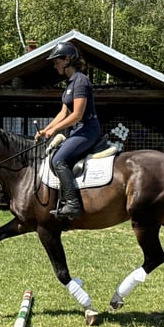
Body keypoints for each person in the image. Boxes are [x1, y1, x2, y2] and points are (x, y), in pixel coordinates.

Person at [35, 42, 101, 219]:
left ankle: (73, 204)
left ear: (67, 60)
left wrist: (54, 130)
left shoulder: (80, 81)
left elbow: (77, 115)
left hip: (88, 129)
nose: (54, 65)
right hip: (78, 130)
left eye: (57, 61)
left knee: (59, 159)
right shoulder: (70, 84)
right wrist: (46, 130)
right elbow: (63, 112)